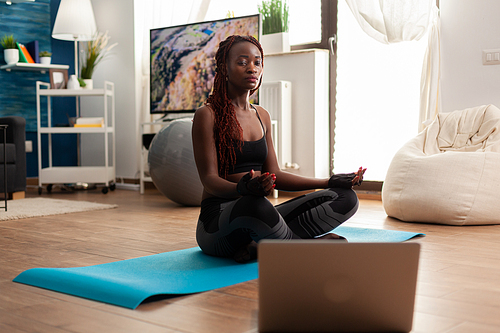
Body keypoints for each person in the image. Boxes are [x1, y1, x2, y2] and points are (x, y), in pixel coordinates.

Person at [192, 35, 366, 263]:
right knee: (256, 205)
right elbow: (209, 180)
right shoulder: (207, 115)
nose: (251, 68)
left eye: (257, 62)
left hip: (258, 213)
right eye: (242, 62)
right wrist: (243, 189)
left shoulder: (261, 115)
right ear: (224, 67)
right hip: (218, 226)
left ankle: (260, 247)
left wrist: (328, 181)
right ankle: (304, 247)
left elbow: (276, 175)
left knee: (345, 198)